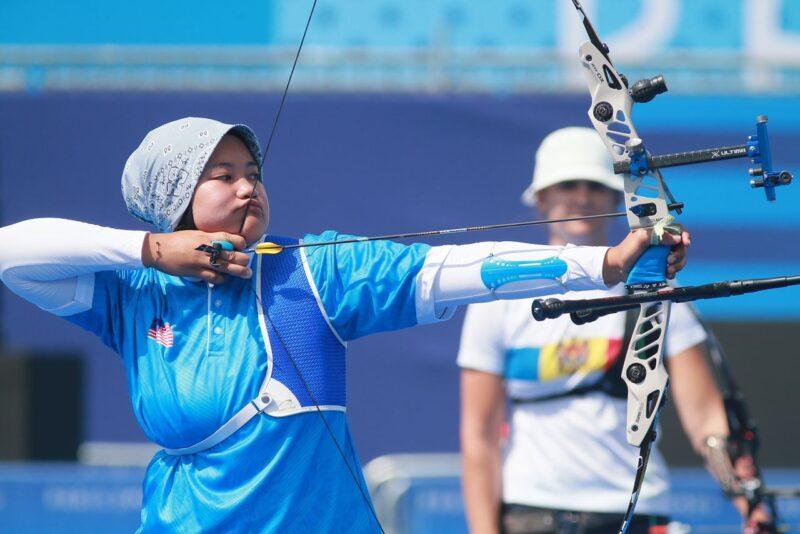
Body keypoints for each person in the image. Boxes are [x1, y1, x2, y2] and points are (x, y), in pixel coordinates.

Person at [0, 118, 689, 533]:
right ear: (173, 200)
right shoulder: (133, 294)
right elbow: (12, 254)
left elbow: (448, 268)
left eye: (253, 171)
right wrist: (152, 251)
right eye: (221, 175)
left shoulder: (311, 273)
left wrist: (603, 261)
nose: (248, 187)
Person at [458, 127, 769, 534]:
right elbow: (479, 435)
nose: (582, 197)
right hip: (532, 512)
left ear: (616, 200)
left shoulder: (655, 288)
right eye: (567, 185)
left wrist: (747, 499)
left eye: (595, 186)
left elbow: (706, 418)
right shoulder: (501, 299)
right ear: (541, 199)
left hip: (635, 509)